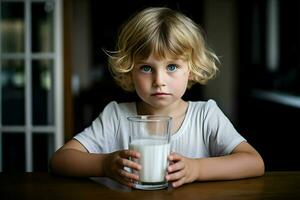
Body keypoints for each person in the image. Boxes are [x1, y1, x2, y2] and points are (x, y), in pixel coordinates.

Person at [50, 7, 264, 188]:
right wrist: (104, 164)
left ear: (190, 69)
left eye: (172, 66)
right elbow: (60, 160)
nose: (159, 80)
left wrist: (197, 168)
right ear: (130, 72)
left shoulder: (206, 116)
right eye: (145, 68)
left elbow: (254, 162)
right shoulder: (115, 116)